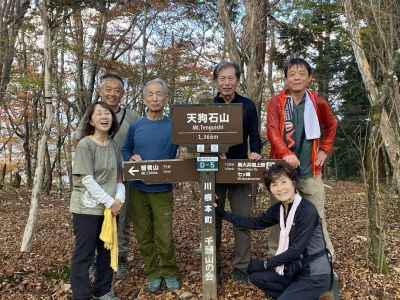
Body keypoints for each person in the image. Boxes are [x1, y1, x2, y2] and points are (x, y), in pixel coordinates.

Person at [215, 162, 332, 299]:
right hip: (294, 270)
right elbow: (255, 223)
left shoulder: (307, 210)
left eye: (283, 182)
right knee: (256, 278)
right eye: (274, 184)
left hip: (314, 275)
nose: (280, 188)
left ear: (293, 183)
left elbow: (296, 250)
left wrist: (265, 264)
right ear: (270, 189)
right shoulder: (280, 208)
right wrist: (222, 213)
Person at [266, 58, 337, 257]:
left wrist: (324, 148)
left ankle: (324, 258)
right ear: (286, 78)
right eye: (292, 74)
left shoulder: (317, 101)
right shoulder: (276, 102)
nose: (296, 78)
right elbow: (272, 131)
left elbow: (332, 124)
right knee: (279, 215)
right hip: (282, 172)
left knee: (316, 216)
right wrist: (286, 153)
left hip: (310, 170)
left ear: (310, 78)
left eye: (301, 74)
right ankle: (276, 256)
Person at [74, 73, 138, 276]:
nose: (112, 93)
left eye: (117, 90)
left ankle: (119, 257)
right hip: (93, 180)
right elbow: (78, 140)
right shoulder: (92, 114)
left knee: (121, 219)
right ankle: (95, 261)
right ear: (101, 91)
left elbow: (139, 142)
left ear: (123, 93)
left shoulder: (132, 116)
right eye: (108, 89)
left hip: (120, 179)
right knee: (92, 223)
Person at [122, 78, 180, 293]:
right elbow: (126, 150)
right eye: (151, 94)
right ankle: (153, 273)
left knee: (164, 235)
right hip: (138, 188)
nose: (155, 98)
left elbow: (186, 150)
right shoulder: (136, 125)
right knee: (144, 234)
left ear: (166, 98)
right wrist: (132, 158)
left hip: (162, 189)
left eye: (159, 94)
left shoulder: (174, 125)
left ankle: (169, 271)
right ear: (145, 98)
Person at [70, 102, 125, 300]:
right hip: (87, 209)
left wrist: (119, 199)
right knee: (84, 253)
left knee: (107, 252)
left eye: (108, 113)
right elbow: (87, 179)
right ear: (91, 120)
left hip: (110, 211)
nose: (104, 117)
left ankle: (103, 291)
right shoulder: (85, 144)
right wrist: (111, 201)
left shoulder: (114, 145)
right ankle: (81, 295)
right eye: (99, 113)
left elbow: (119, 177)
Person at [213, 61, 262, 282]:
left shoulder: (248, 105)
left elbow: (254, 136)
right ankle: (212, 265)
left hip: (240, 169)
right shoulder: (208, 105)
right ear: (216, 81)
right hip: (214, 171)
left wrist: (256, 153)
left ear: (237, 80)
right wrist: (214, 153)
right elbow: (197, 139)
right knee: (211, 218)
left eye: (230, 78)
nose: (226, 82)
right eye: (222, 78)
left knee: (242, 219)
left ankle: (241, 266)